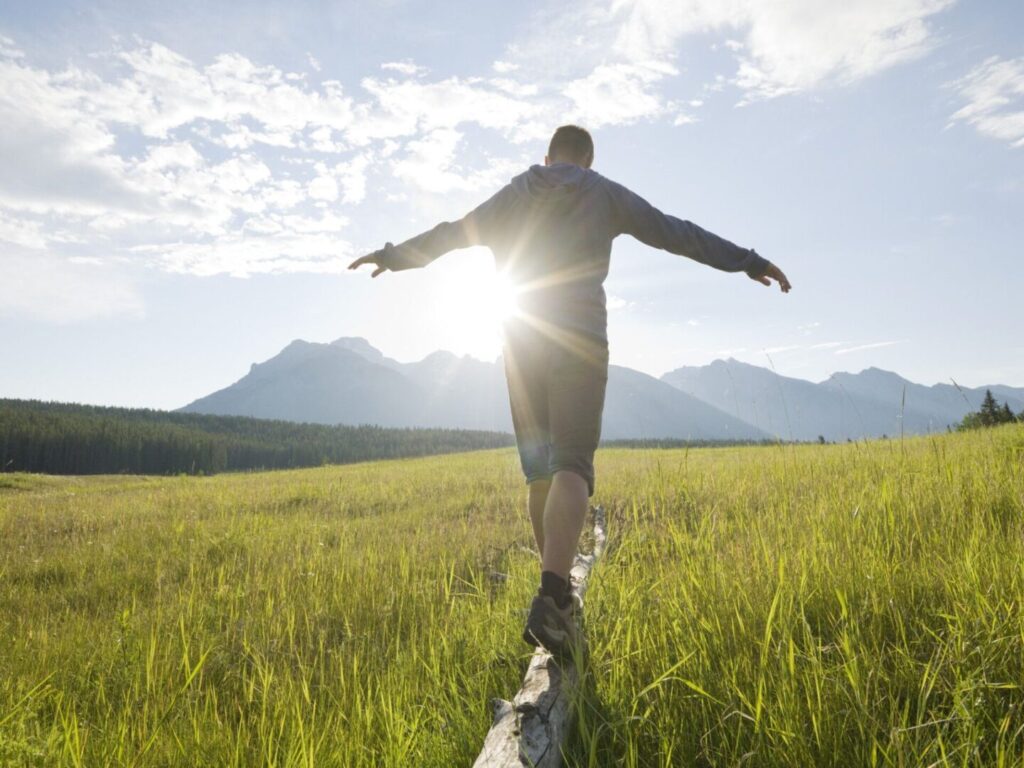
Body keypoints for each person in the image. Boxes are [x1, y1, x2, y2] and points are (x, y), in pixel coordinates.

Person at [349, 125, 791, 657]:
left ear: (547, 156)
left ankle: (554, 598)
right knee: (573, 466)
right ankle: (554, 596)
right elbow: (677, 232)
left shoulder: (516, 192)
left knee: (540, 471)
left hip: (520, 341)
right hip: (578, 341)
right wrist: (747, 261)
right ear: (587, 159)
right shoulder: (602, 192)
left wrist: (393, 256)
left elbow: (450, 233)